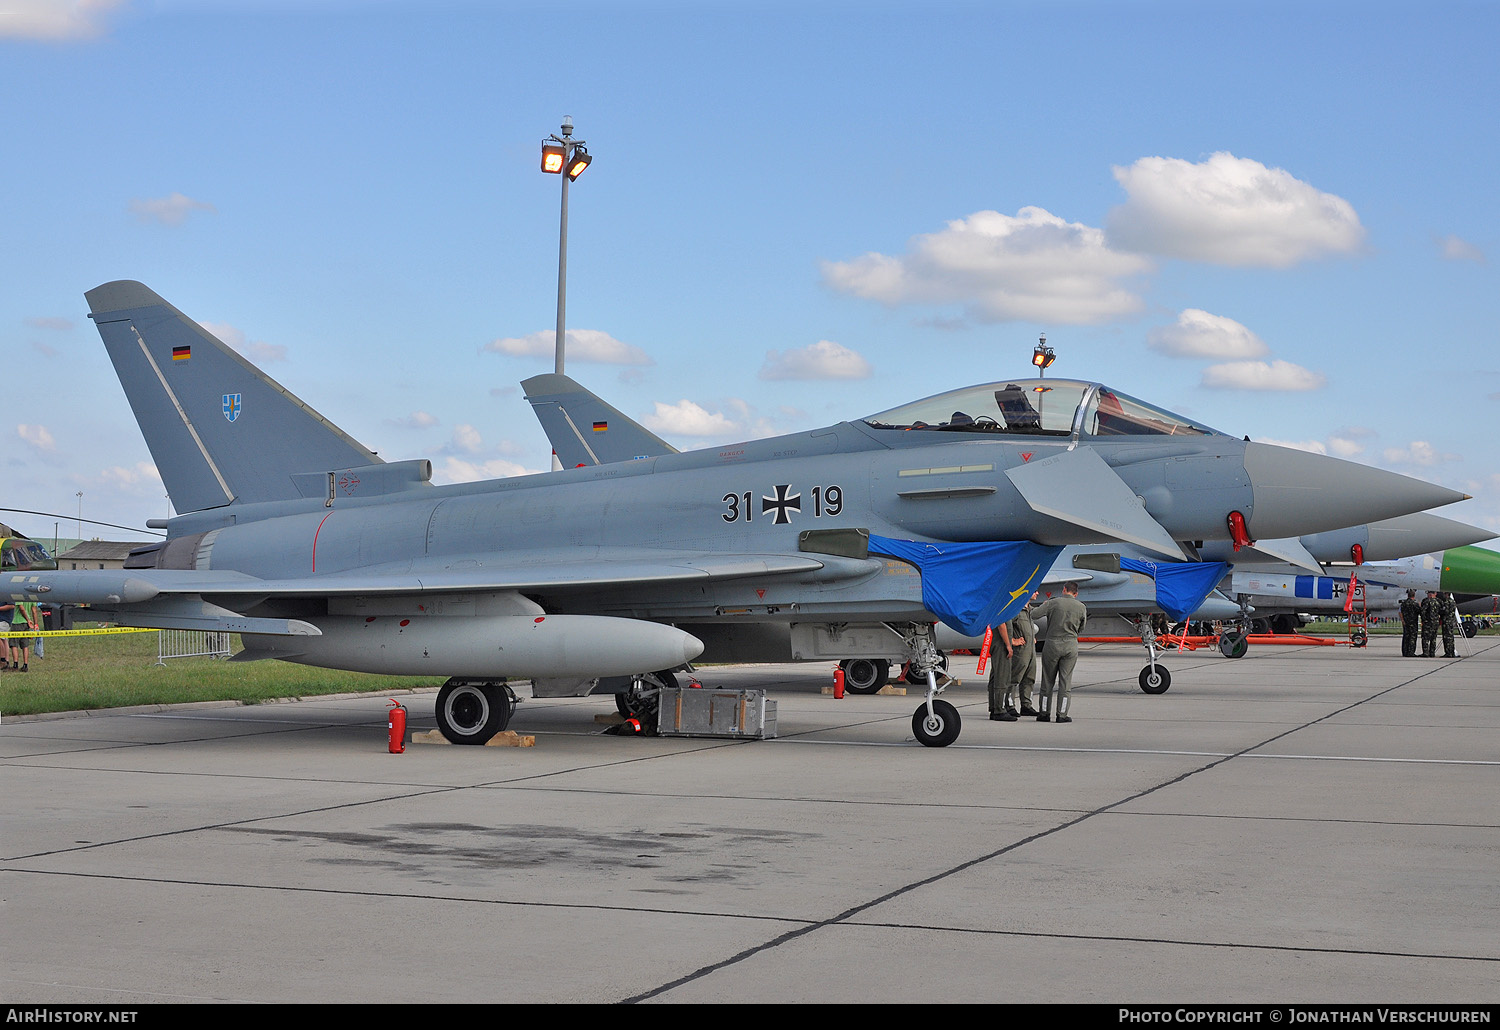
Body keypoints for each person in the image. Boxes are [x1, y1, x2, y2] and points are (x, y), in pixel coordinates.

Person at [1032, 582, 1087, 723]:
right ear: (1076, 593)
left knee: (1047, 681)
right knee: (1065, 681)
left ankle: (1044, 713)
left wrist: (1045, 605)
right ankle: (1062, 714)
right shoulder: (1081, 607)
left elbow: (1034, 614)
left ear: (1064, 590)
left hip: (1052, 644)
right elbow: (1082, 628)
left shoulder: (1053, 603)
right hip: (1070, 645)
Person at [1003, 595, 1039, 718]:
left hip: (1031, 651)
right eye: (1035, 591)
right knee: (1014, 678)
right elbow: (1005, 624)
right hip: (1021, 651)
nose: (1037, 593)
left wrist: (1031, 637)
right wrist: (1012, 640)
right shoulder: (1016, 610)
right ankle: (1009, 705)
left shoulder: (1029, 610)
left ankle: (1026, 705)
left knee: (1029, 678)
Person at [985, 620, 1016, 720]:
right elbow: (1001, 624)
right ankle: (1000, 710)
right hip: (1001, 645)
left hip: (998, 643)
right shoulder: (1002, 606)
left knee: (995, 676)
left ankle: (994, 708)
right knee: (1002, 677)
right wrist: (1008, 644)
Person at [1398, 589, 1422, 658]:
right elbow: (1420, 612)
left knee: (1406, 637)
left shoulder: (1403, 603)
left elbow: (1400, 612)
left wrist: (1402, 620)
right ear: (1414, 596)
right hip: (1413, 623)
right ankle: (1411, 652)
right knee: (1412, 637)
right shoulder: (1415, 604)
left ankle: (1405, 652)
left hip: (1405, 623)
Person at [1419, 590, 1442, 658]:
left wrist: (1424, 620)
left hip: (1428, 622)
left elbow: (1422, 611)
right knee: (1433, 638)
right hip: (1435, 622)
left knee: (1425, 638)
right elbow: (1442, 611)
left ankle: (1425, 653)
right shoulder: (1438, 601)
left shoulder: (1426, 601)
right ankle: (1432, 653)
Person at [1440, 592, 1460, 658]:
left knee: (1446, 637)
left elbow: (1444, 611)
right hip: (1451, 621)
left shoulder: (1446, 602)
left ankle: (1448, 652)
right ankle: (1452, 652)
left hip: (1446, 621)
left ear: (1447, 594)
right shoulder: (1453, 602)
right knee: (1451, 637)